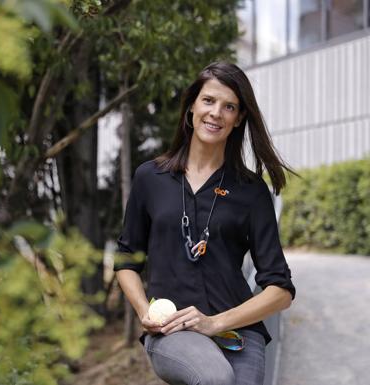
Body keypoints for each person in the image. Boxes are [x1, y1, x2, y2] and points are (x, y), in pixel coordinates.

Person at [114, 61, 296, 385]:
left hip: (237, 330)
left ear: (238, 119)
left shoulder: (252, 192)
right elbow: (126, 259)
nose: (216, 113)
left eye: (229, 107)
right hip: (172, 329)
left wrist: (214, 323)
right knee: (214, 378)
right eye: (208, 101)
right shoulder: (150, 178)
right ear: (192, 107)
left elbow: (280, 290)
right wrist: (144, 311)